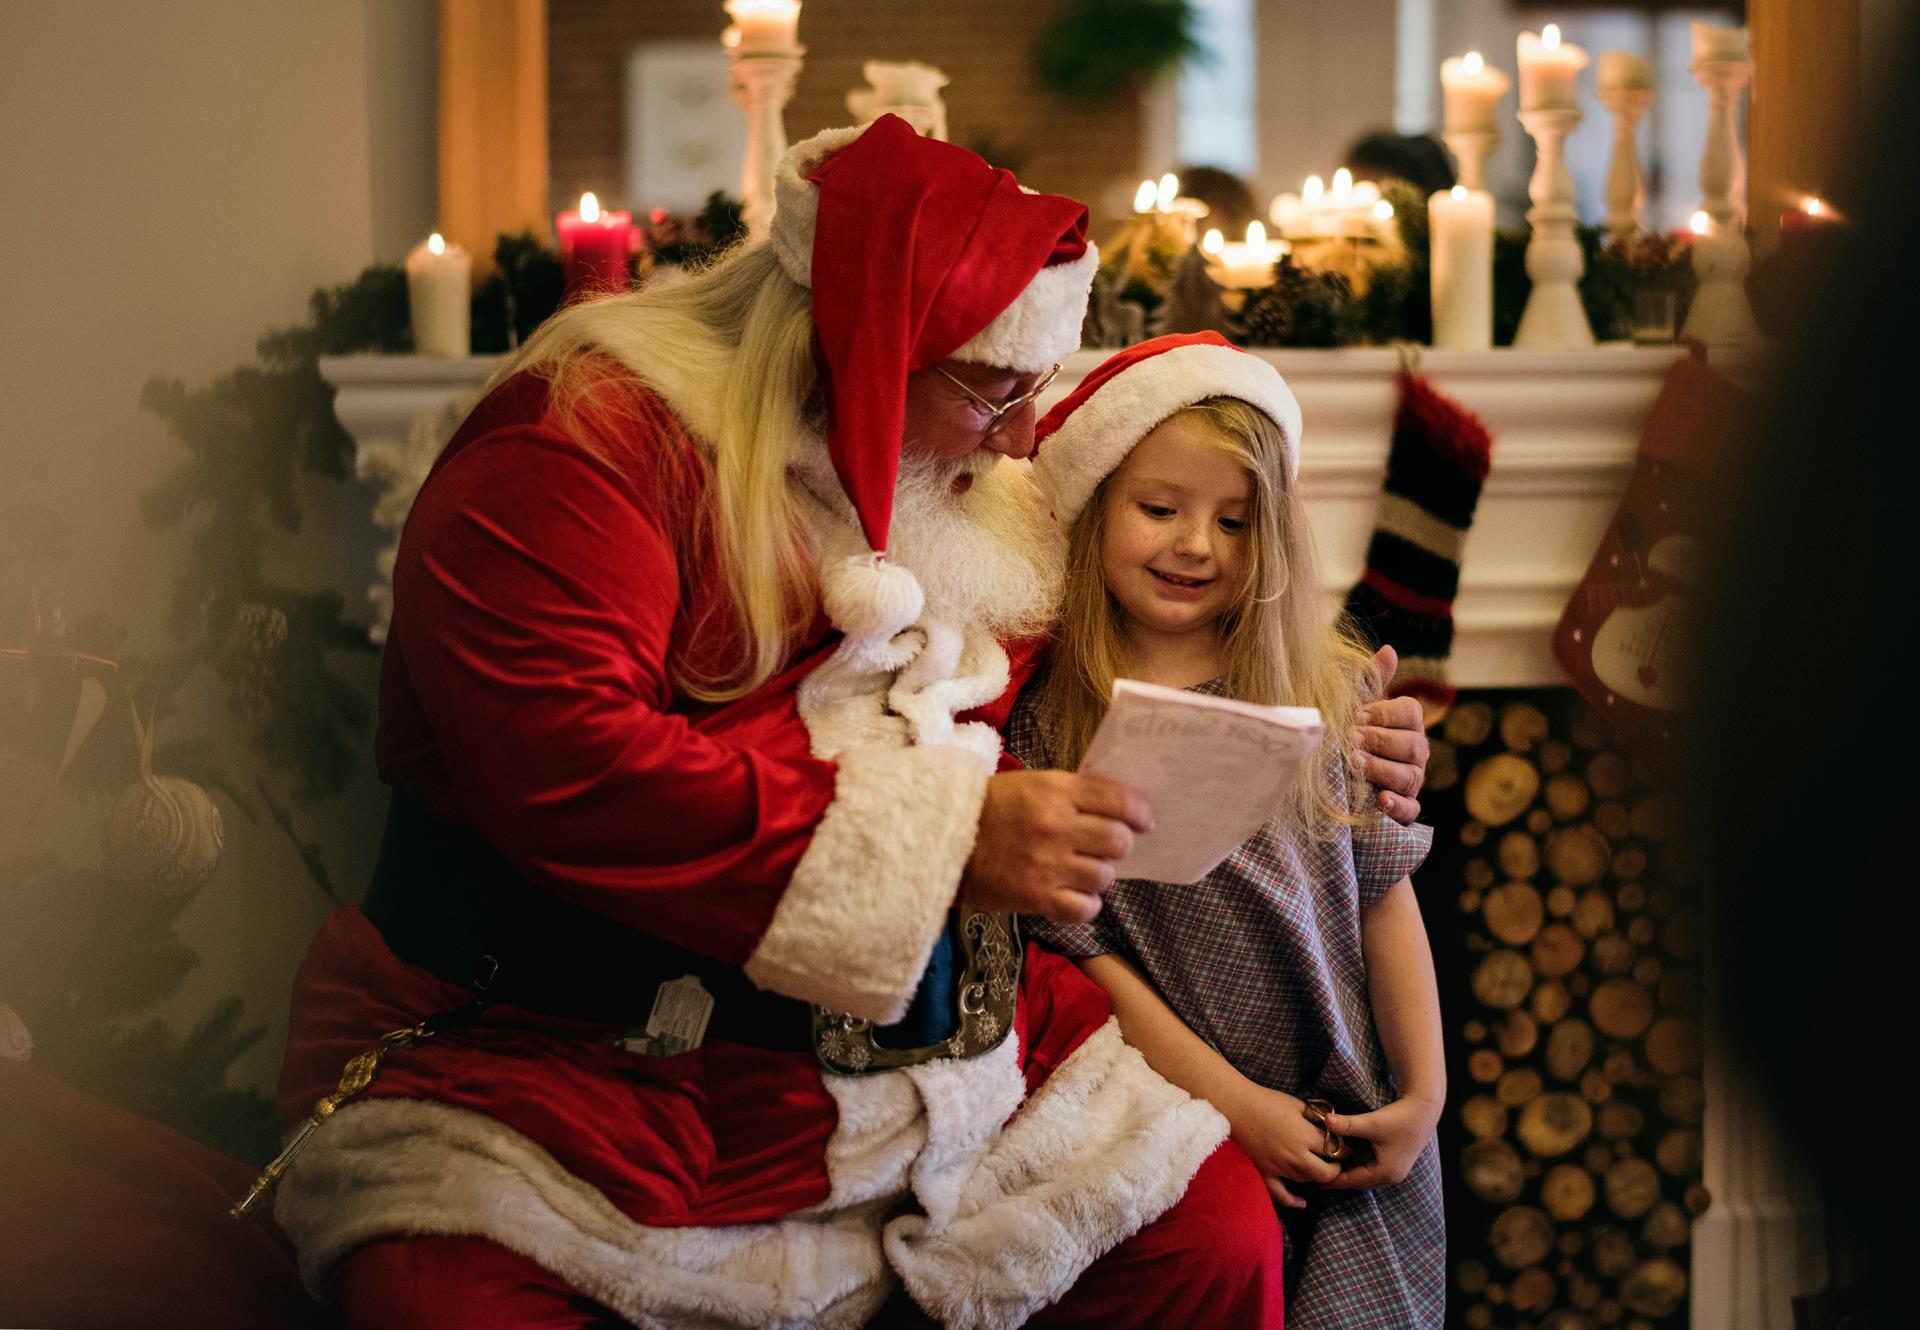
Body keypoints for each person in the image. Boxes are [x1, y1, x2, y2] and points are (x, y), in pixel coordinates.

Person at [266, 118, 1430, 1329]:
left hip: (955, 1056)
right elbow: (571, 765)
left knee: (1205, 1238)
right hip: (566, 1053)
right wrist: (952, 842)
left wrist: (1342, 728)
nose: (1027, 437)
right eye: (995, 394)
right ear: (867, 349)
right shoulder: (580, 445)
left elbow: (1141, 630)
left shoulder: (957, 474)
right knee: (447, 1301)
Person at [1008, 332, 1446, 1327]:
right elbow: (1085, 961)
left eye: (1235, 520)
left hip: (1346, 1099)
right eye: (1159, 508)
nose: (1196, 544)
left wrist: (1424, 1095)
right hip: (1163, 1109)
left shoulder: (1326, 697)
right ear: (1097, 509)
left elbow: (1384, 890)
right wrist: (1232, 1106)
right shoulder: (1046, 722)